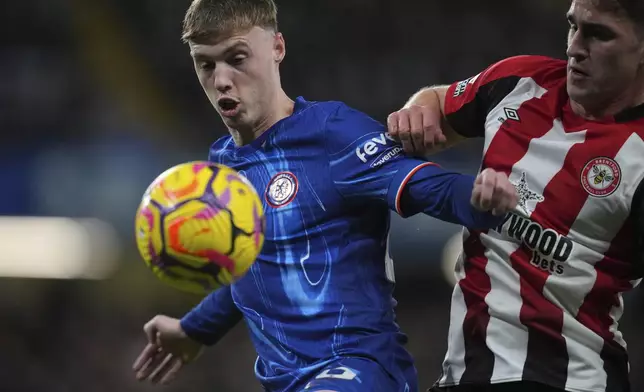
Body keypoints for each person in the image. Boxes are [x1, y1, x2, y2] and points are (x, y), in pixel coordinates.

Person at [131, 0, 518, 391]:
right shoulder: (222, 170)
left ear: (277, 48)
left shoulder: (332, 133)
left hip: (360, 372)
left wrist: (480, 197)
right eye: (206, 64)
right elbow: (256, 270)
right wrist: (193, 329)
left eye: (237, 58)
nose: (221, 80)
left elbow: (425, 186)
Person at [387, 0, 644, 391]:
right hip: (464, 375)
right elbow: (437, 103)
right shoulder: (519, 81)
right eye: (573, 27)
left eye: (599, 34)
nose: (575, 46)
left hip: (569, 379)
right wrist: (415, 112)